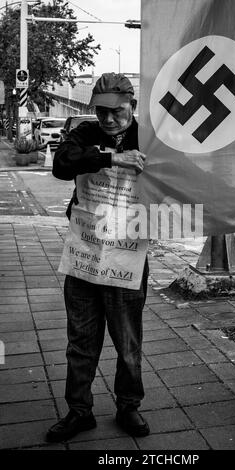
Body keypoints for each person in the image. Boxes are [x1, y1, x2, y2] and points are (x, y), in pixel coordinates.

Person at [46, 73, 149, 443]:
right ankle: (79, 412)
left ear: (133, 106)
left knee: (128, 344)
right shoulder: (86, 135)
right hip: (85, 255)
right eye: (100, 112)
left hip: (127, 256)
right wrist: (111, 157)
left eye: (116, 112)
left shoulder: (150, 138)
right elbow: (62, 164)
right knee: (81, 342)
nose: (107, 120)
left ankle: (128, 406)